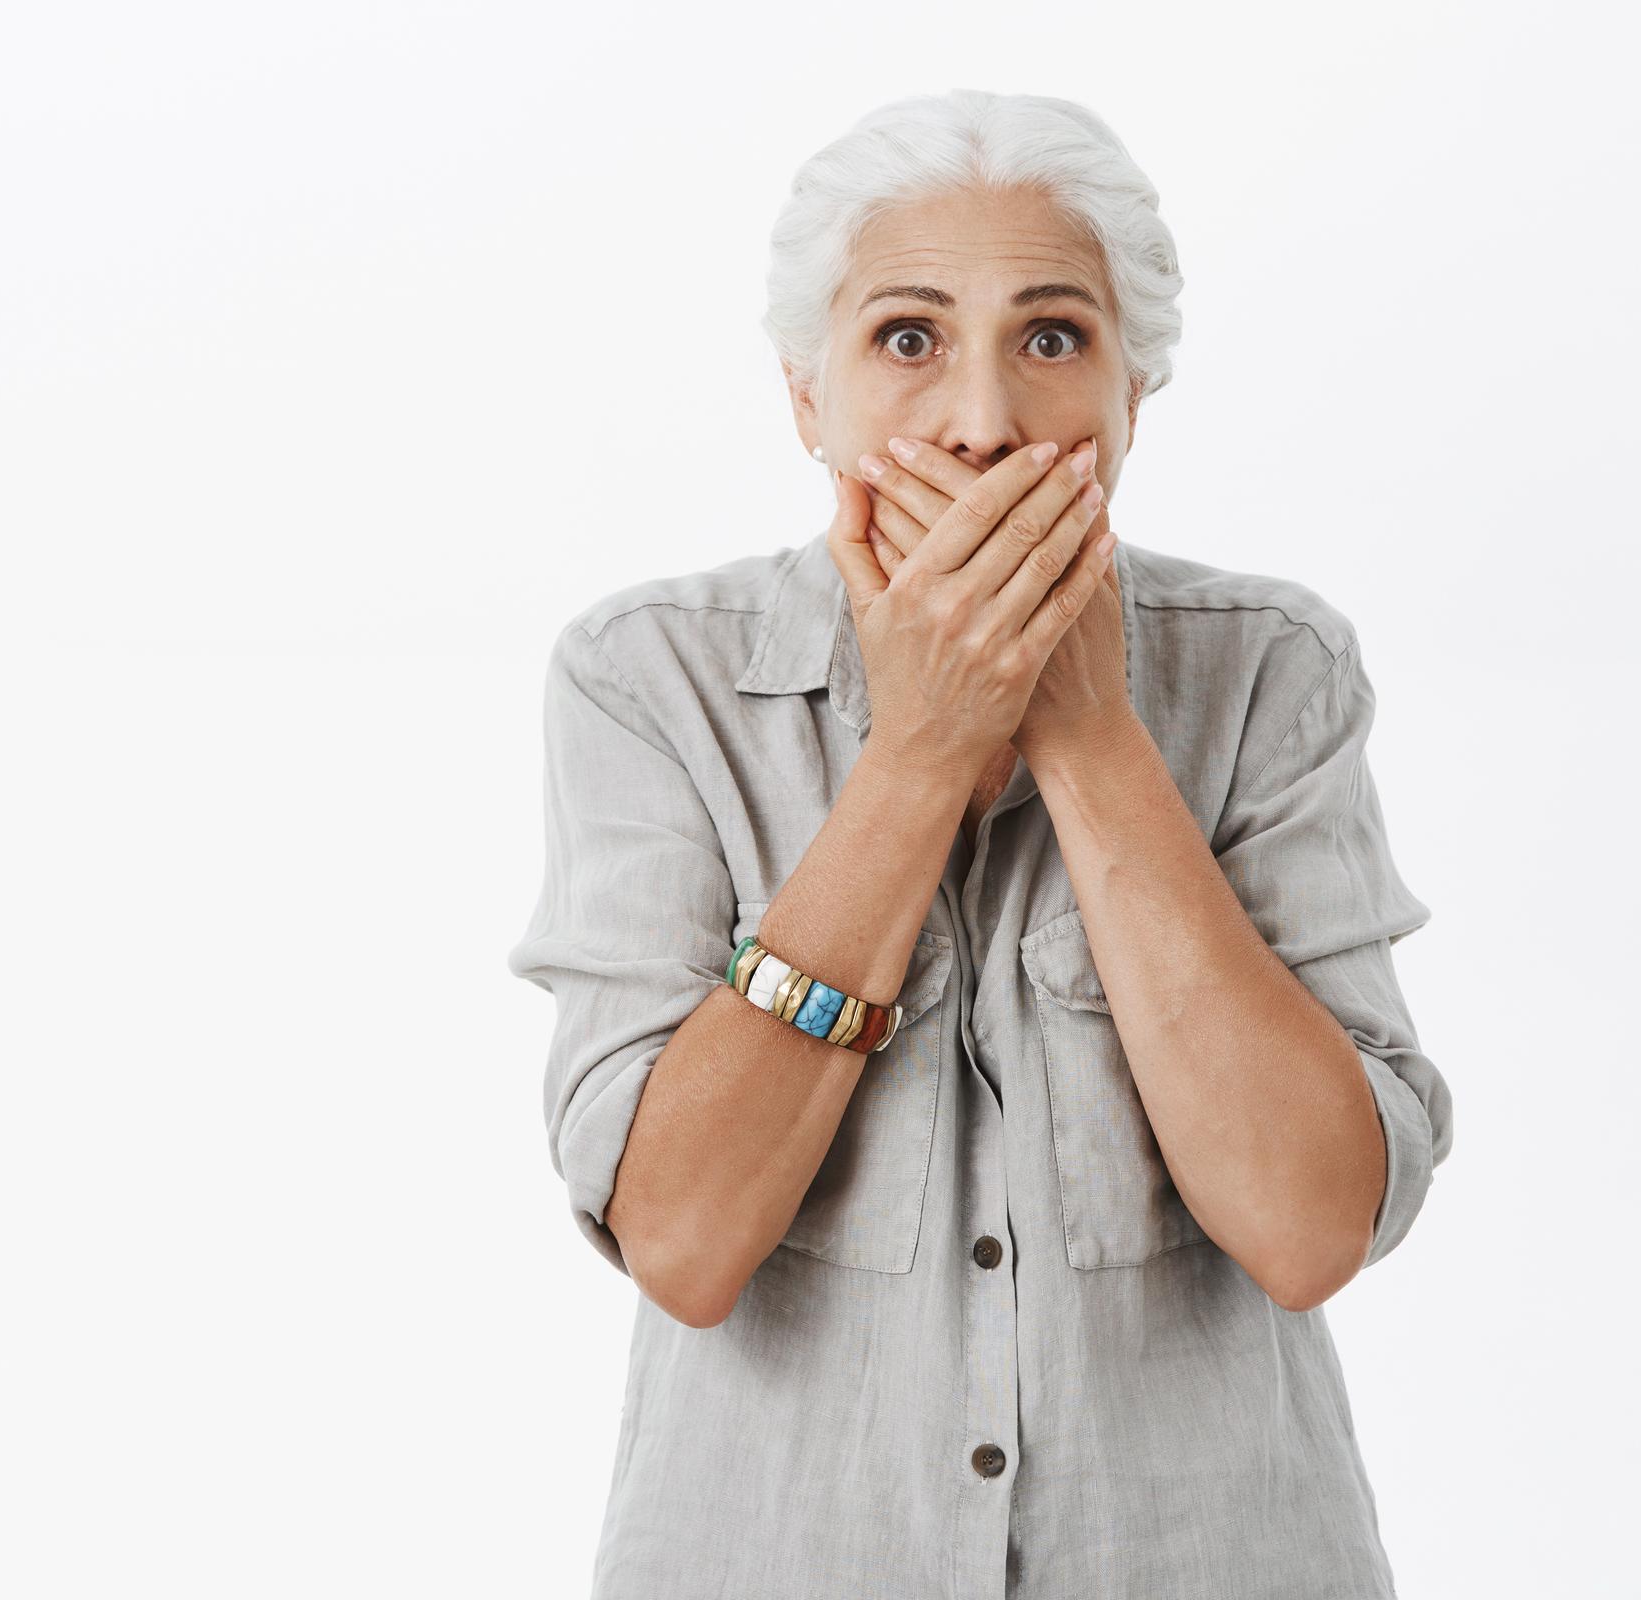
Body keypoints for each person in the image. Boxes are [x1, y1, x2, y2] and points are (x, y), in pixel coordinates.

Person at [504, 88, 1450, 1599]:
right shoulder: (647, 678)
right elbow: (681, 1240)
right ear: (809, 397)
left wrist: (1087, 734)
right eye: (907, 337)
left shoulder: (1275, 670)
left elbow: (1308, 1224)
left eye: (1054, 337)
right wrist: (926, 749)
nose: (983, 422)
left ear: (1134, 392)